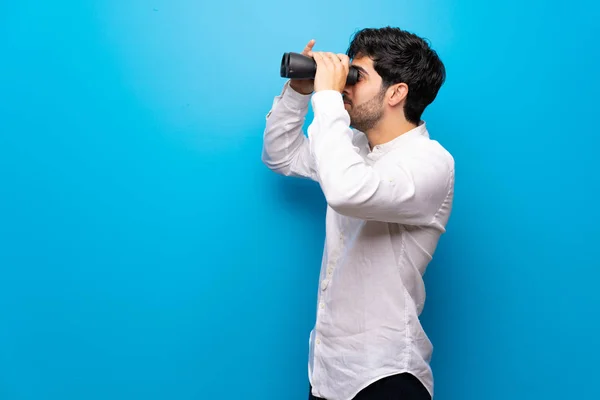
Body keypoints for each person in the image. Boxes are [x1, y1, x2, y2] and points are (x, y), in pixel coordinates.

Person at [262, 26, 454, 400]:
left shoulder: (431, 163)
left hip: (385, 376)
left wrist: (329, 97)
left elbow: (346, 192)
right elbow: (280, 155)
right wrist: (300, 94)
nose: (346, 87)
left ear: (397, 92)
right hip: (328, 372)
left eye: (357, 77)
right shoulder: (349, 150)